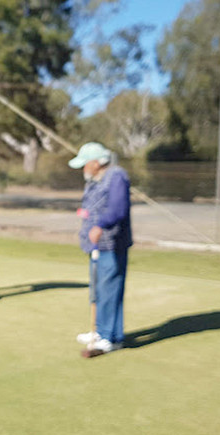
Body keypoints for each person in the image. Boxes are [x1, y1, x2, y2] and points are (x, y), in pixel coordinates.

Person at [69, 142, 132, 352]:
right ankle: (100, 330)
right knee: (97, 289)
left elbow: (118, 209)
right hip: (95, 246)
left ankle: (111, 337)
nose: (82, 169)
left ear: (96, 163)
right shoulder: (94, 180)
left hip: (112, 245)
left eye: (85, 164)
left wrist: (100, 225)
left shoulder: (116, 177)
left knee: (110, 289)